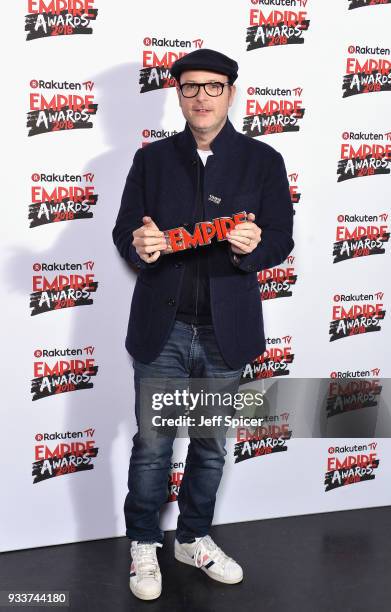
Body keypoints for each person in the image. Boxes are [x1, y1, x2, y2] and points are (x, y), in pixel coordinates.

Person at [112, 48, 294, 601]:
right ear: (178, 92)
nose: (201, 97)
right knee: (152, 445)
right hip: (161, 332)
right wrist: (141, 247)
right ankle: (144, 543)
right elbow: (125, 233)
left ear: (231, 93)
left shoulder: (263, 160)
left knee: (211, 444)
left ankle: (193, 538)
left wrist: (253, 247)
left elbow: (281, 239)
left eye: (213, 87)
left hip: (225, 331)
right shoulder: (152, 159)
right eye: (191, 87)